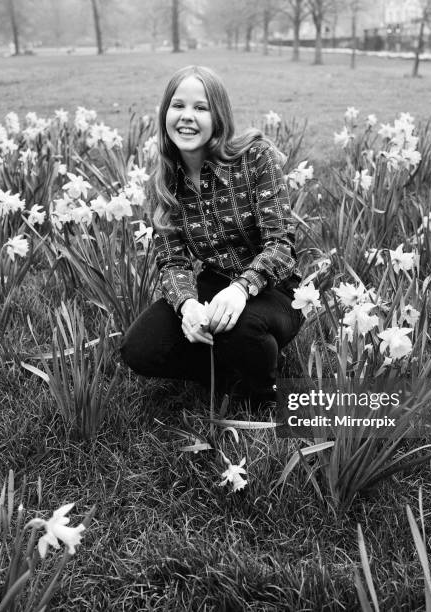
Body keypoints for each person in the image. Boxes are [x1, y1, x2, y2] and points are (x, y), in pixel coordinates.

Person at [121, 65, 303, 409]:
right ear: (165, 115)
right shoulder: (164, 183)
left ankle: (261, 395)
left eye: (200, 108)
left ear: (218, 116)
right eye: (178, 106)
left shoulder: (254, 157)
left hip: (276, 288)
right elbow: (172, 262)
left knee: (241, 327)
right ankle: (228, 370)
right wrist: (188, 305)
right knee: (139, 348)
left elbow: (281, 245)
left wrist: (240, 289)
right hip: (216, 281)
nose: (187, 117)